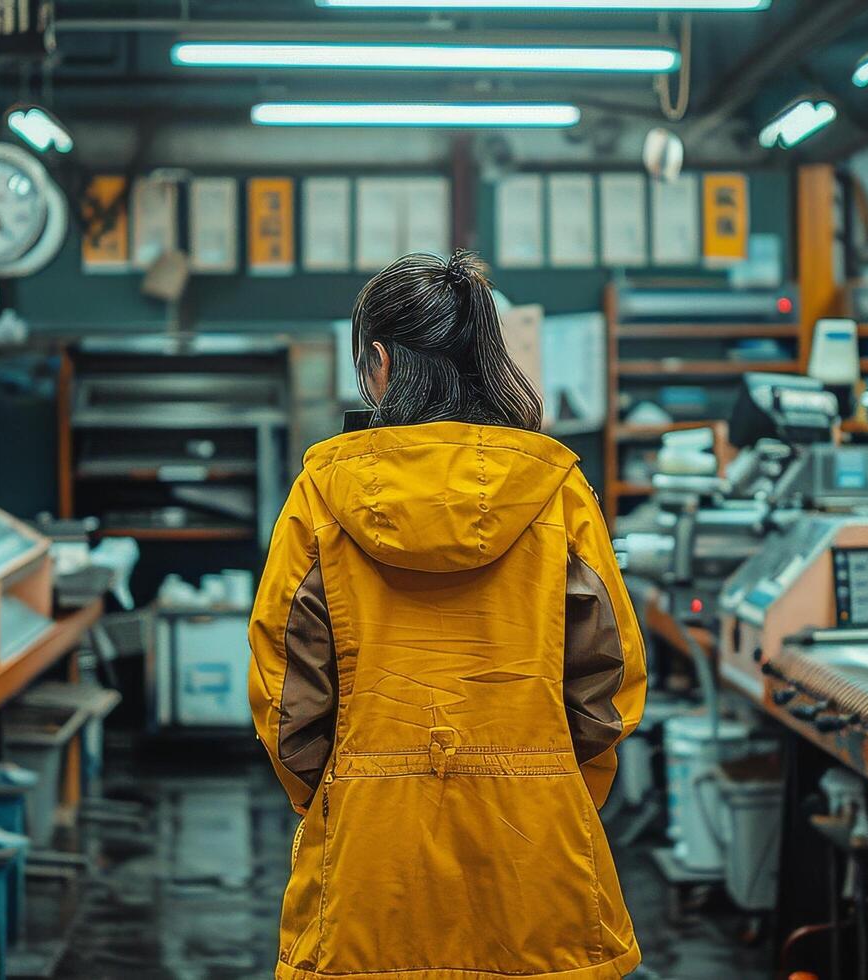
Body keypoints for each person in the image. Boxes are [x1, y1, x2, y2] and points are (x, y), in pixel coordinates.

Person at [248, 250, 647, 980]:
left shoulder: (319, 497)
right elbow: (608, 686)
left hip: (371, 865)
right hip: (538, 856)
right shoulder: (556, 488)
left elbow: (285, 699)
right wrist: (549, 786)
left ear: (376, 360)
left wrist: (338, 799)